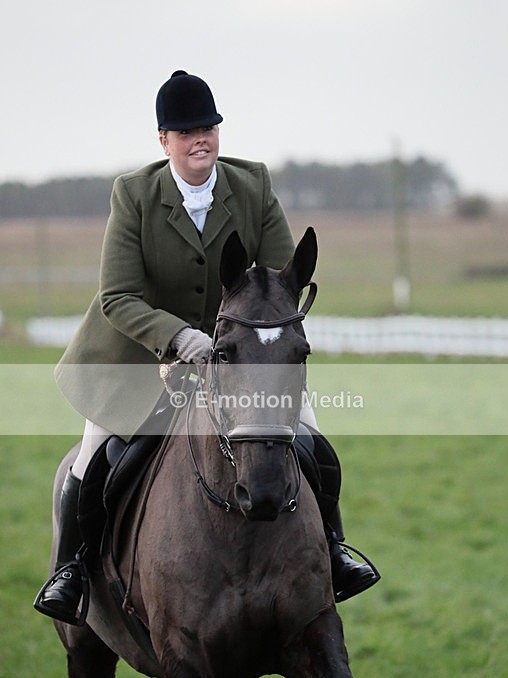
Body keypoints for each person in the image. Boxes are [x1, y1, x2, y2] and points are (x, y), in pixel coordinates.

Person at [35, 70, 379, 625]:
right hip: (137, 356)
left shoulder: (252, 185)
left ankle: (336, 551)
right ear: (164, 141)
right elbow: (117, 297)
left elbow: (278, 278)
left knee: (314, 441)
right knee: (94, 457)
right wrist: (177, 339)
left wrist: (240, 337)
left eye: (210, 128)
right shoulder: (134, 195)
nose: (201, 138)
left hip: (240, 356)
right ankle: (71, 572)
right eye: (187, 130)